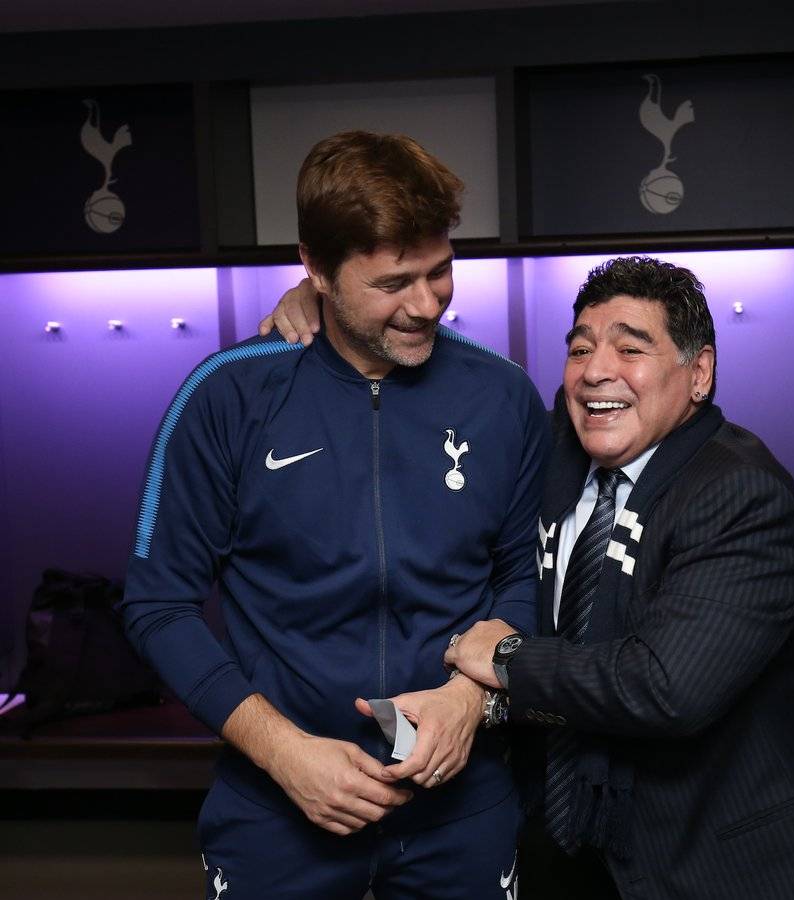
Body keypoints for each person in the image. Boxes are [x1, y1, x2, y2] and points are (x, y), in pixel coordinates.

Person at [270, 255, 794, 898]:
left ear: (699, 374)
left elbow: (666, 687)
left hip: (745, 864)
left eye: (631, 348)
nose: (597, 370)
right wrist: (333, 300)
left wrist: (506, 658)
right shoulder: (568, 443)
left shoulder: (741, 492)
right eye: (580, 348)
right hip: (582, 853)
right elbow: (456, 376)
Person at [120, 131, 549, 899]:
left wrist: (473, 700)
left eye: (441, 272)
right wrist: (282, 752)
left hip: (463, 815)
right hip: (277, 815)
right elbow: (158, 605)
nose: (427, 304)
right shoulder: (226, 398)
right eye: (393, 283)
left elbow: (528, 577)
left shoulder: (504, 396)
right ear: (314, 268)